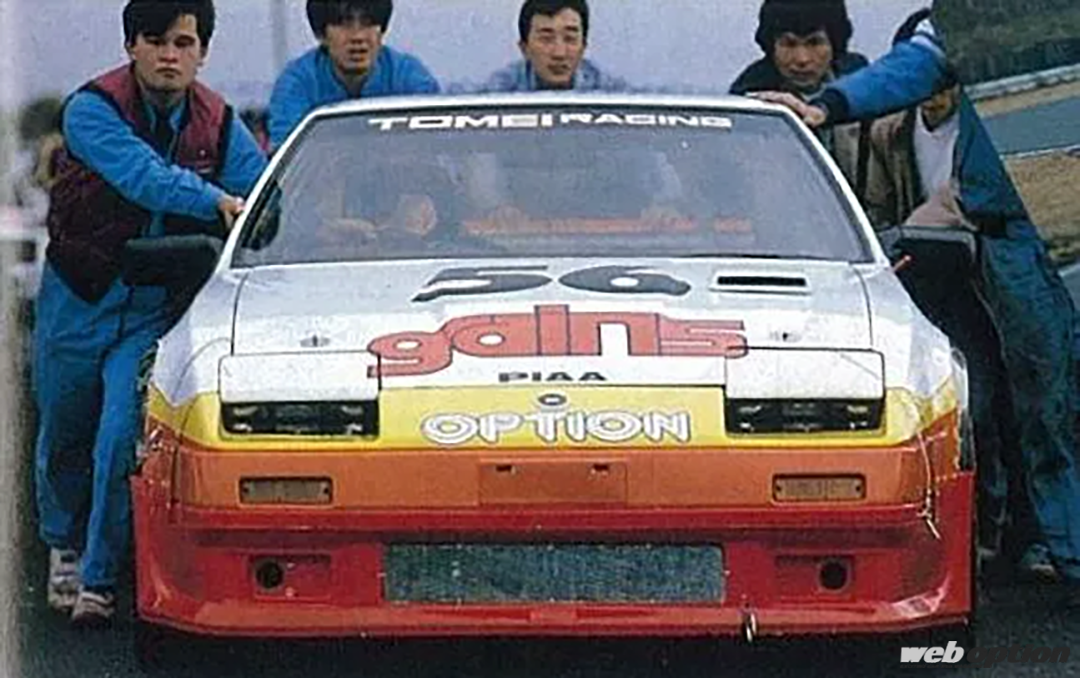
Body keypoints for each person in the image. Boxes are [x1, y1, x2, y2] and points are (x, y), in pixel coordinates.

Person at [757, 5, 1080, 600]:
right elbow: (918, 63)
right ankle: (1068, 553)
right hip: (1017, 238)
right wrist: (829, 106)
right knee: (1046, 404)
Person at [35, 0, 266, 626]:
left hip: (150, 310)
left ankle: (98, 576)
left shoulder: (220, 122)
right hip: (79, 297)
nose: (169, 55)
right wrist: (214, 199)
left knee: (120, 434)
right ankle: (62, 542)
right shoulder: (91, 110)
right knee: (64, 428)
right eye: (155, 40)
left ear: (202, 52)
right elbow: (142, 177)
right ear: (131, 46)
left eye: (183, 43)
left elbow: (258, 189)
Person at [730, 0, 870, 196]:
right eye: (789, 44)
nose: (802, 59)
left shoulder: (863, 90)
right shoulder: (750, 102)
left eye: (814, 43)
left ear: (834, 44)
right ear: (771, 47)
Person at [268, 0, 439, 150]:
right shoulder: (297, 83)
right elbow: (287, 157)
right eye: (344, 24)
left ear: (382, 30)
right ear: (321, 35)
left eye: (368, 23)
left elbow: (433, 146)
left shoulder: (411, 78)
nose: (358, 37)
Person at [479, 0, 628, 93]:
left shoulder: (612, 96)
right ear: (524, 48)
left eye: (570, 39)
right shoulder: (497, 95)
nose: (559, 53)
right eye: (546, 39)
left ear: (583, 47)